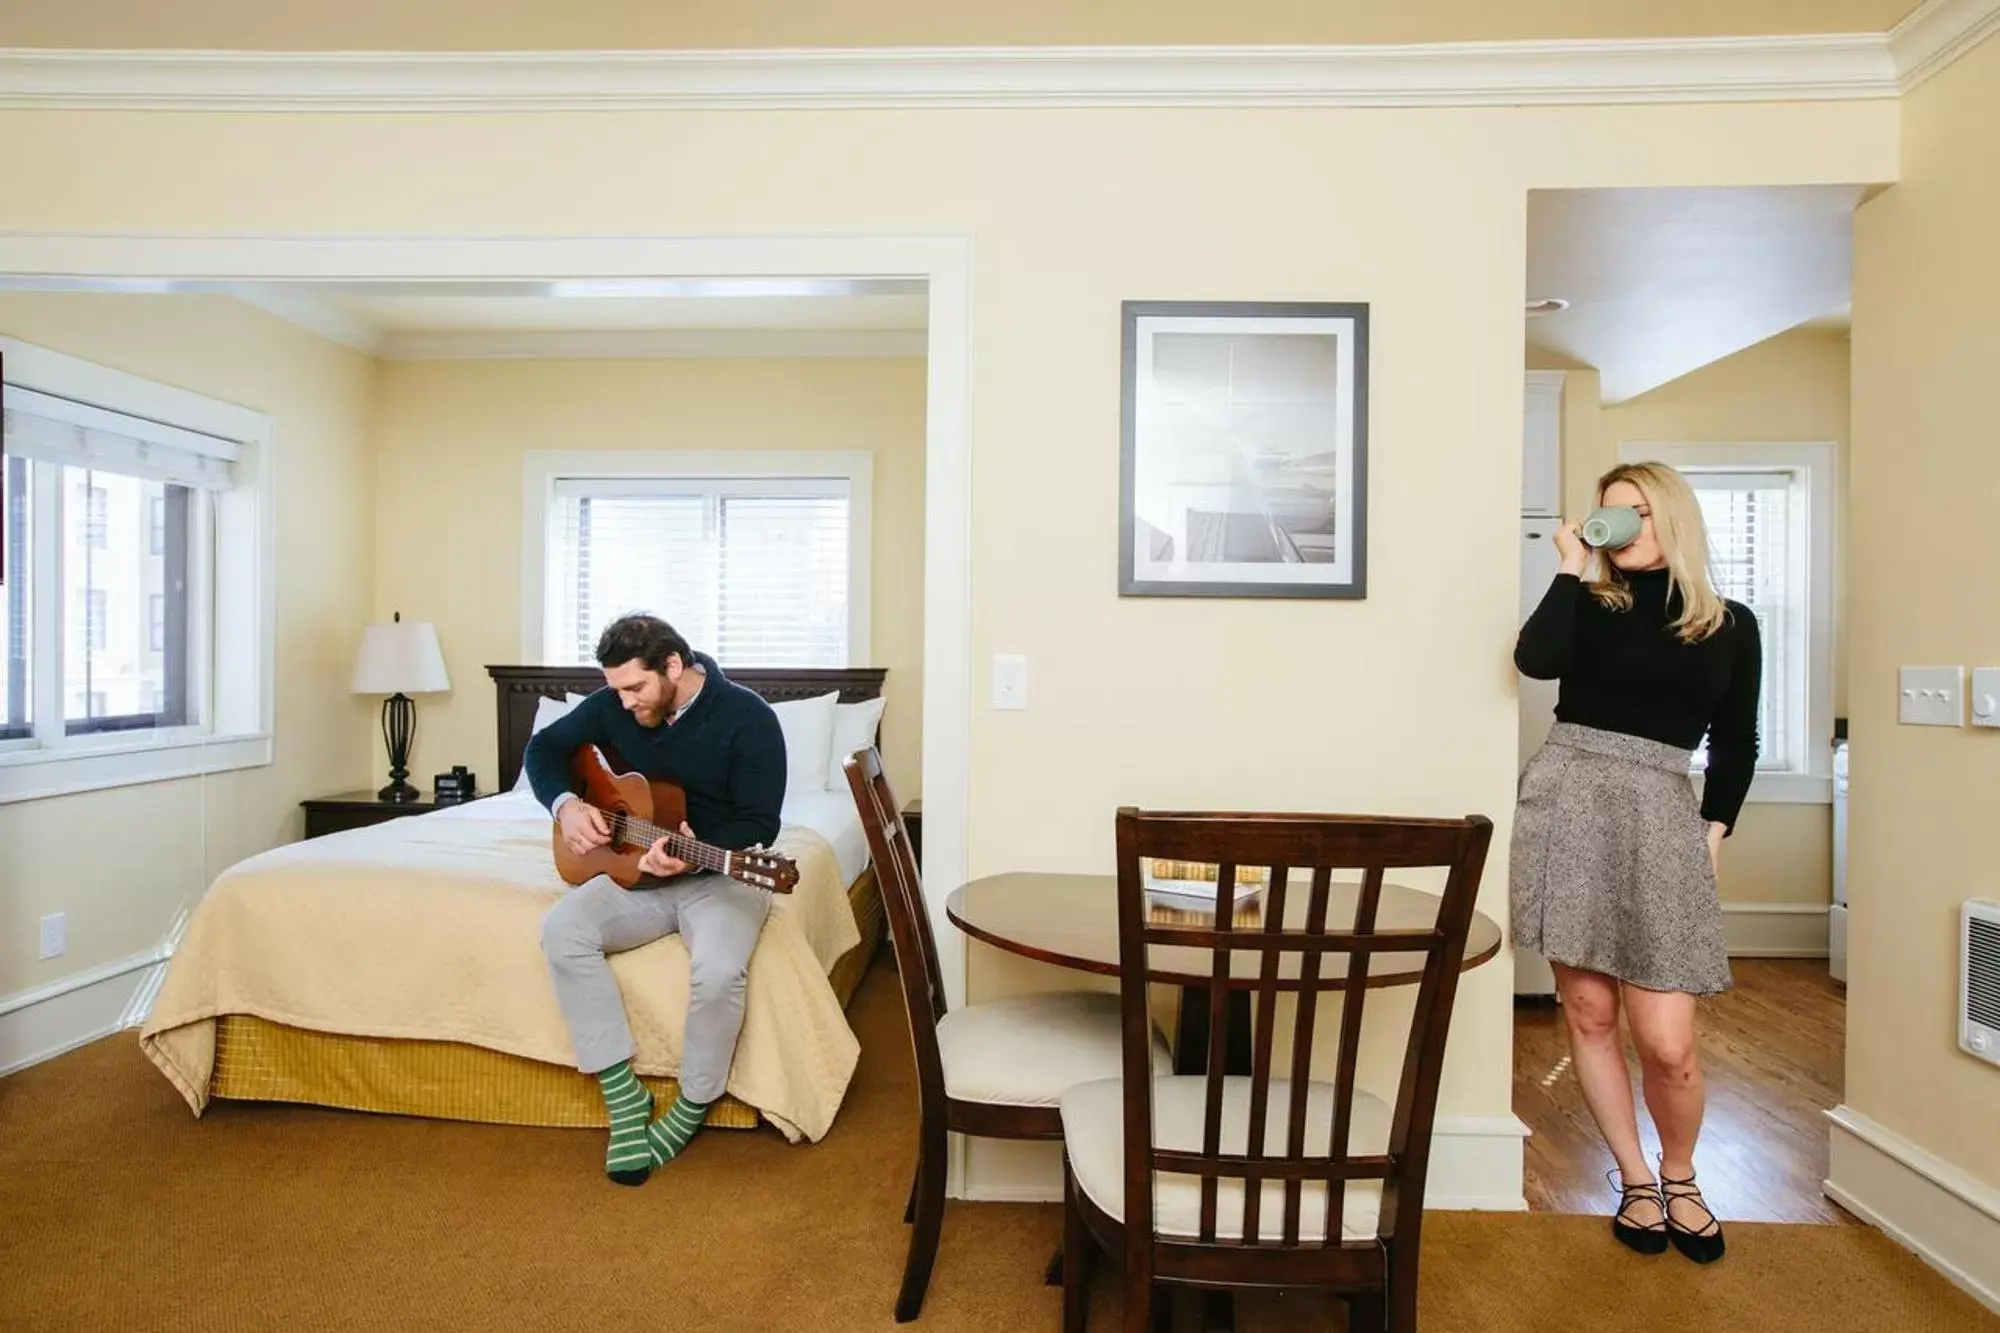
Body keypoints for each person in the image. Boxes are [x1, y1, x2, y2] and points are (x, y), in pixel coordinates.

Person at [1512, 460, 1760, 1264]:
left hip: (1662, 809)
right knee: (1587, 1014)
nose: (1621, 526)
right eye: (1610, 514)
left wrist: (1714, 828)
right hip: (1570, 793)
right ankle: (1633, 1178)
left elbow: (1736, 739)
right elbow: (1535, 662)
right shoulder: (1583, 602)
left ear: (1674, 519)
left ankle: (1680, 1173)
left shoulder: (1730, 623)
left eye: (1639, 512)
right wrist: (1568, 565)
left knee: (1667, 1039)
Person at [523, 613, 787, 1186]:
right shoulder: (617, 702)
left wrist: (700, 852)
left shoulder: (749, 718)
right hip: (635, 876)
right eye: (614, 689)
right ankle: (624, 1096)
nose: (622, 704)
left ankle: (692, 1104)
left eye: (634, 689)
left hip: (721, 874)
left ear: (673, 666)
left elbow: (761, 819)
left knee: (718, 973)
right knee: (563, 929)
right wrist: (566, 806)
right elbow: (544, 748)